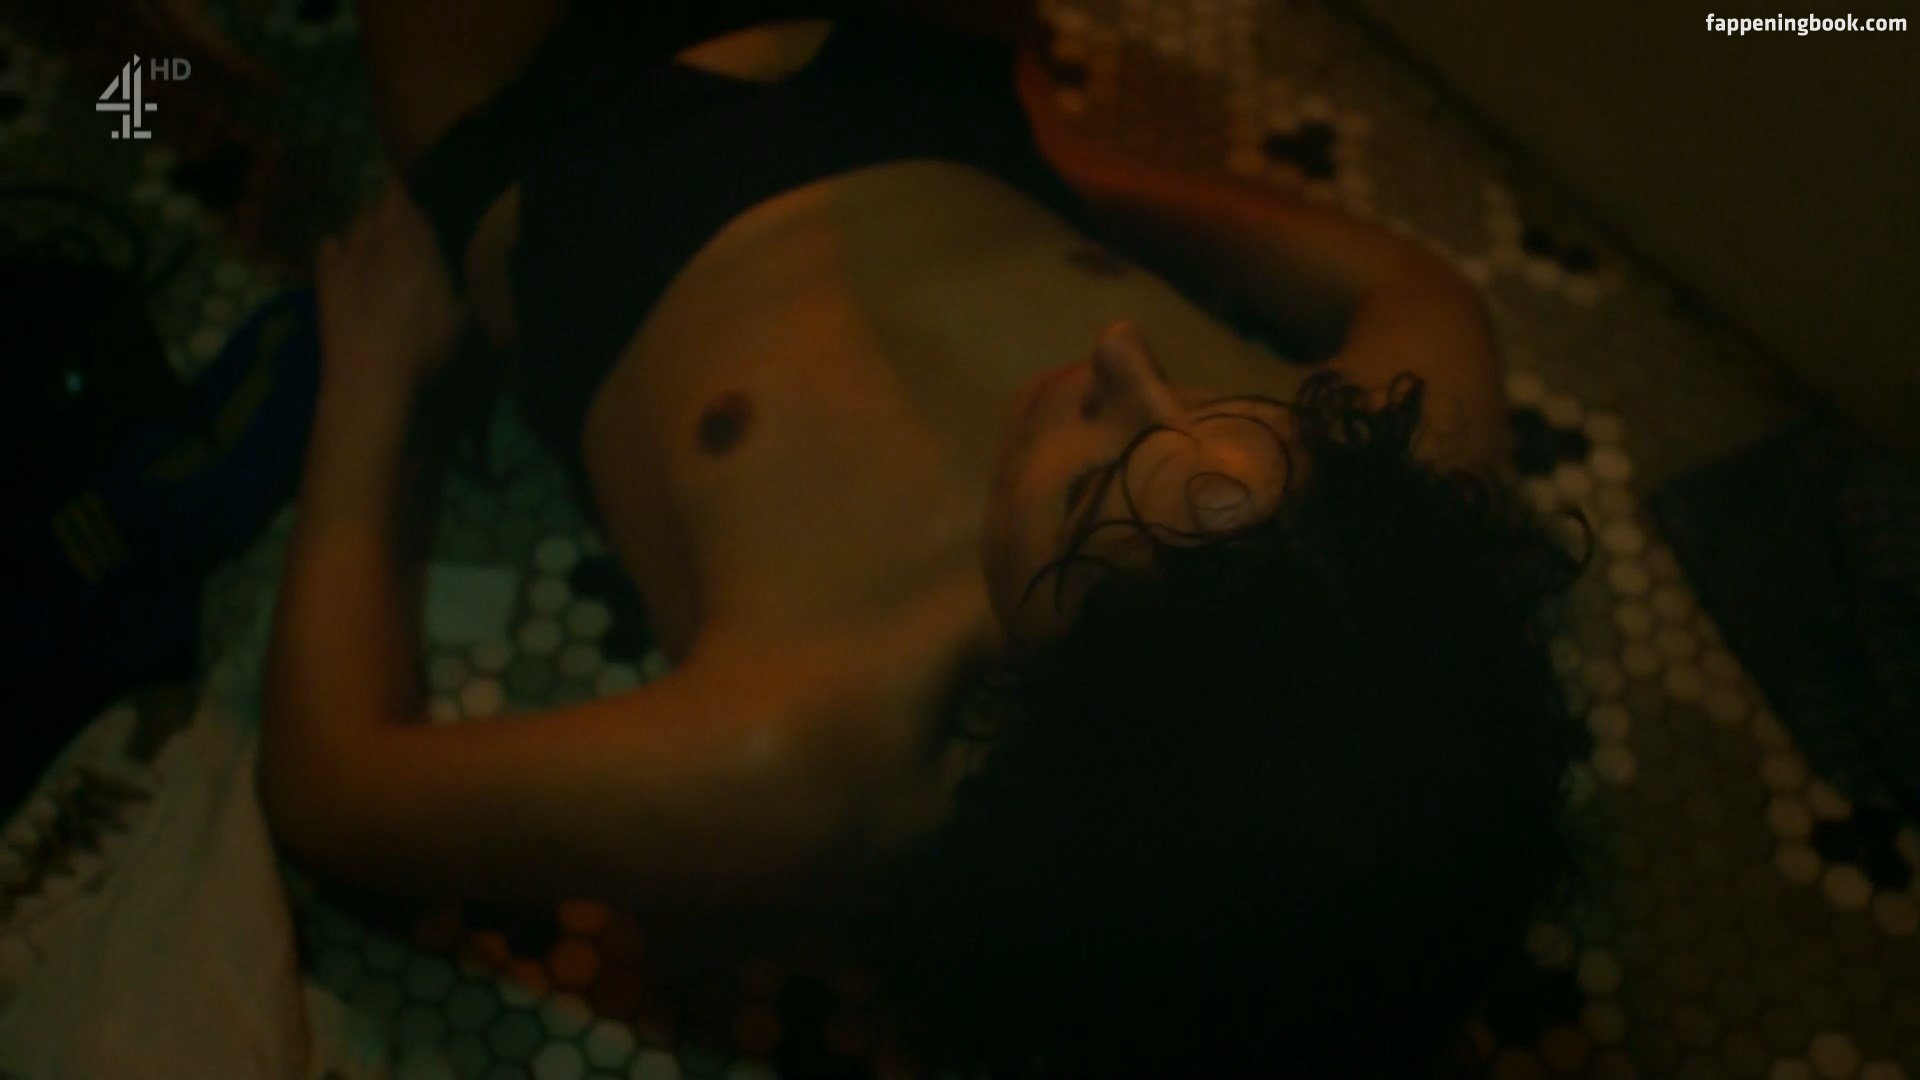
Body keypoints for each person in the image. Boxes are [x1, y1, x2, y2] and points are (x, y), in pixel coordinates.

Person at [260, 1, 1585, 1072]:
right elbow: (1419, 292)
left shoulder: (810, 755)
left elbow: (330, 788)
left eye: (1087, 493)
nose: (1122, 358)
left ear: (1040, 722)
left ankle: (149, 77)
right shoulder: (1360, 535)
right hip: (912, 70)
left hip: (570, 130)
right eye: (1223, 414)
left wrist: (367, 402)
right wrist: (1090, 179)